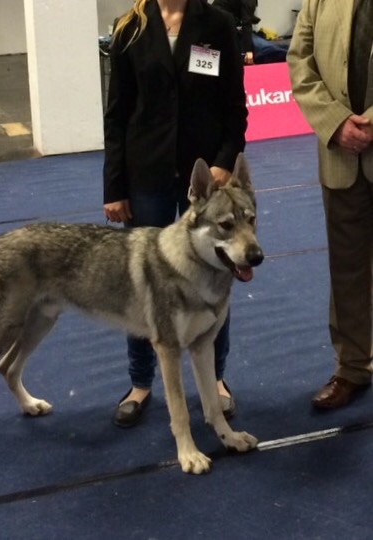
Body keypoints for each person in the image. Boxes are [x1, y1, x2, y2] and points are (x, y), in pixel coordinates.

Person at [103, 0, 248, 427]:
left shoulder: (217, 24)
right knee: (142, 285)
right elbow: (117, 113)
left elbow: (235, 105)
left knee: (217, 277)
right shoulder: (128, 27)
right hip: (145, 171)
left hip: (207, 177)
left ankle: (215, 379)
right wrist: (114, 186)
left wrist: (224, 159)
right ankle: (141, 382)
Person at [287, 0, 373, 409]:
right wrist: (335, 122)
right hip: (340, 155)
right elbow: (300, 60)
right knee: (347, 270)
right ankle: (352, 367)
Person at [212, 0, 258, 65]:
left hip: (215, 20)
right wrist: (248, 50)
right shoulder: (249, 1)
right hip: (220, 23)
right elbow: (246, 24)